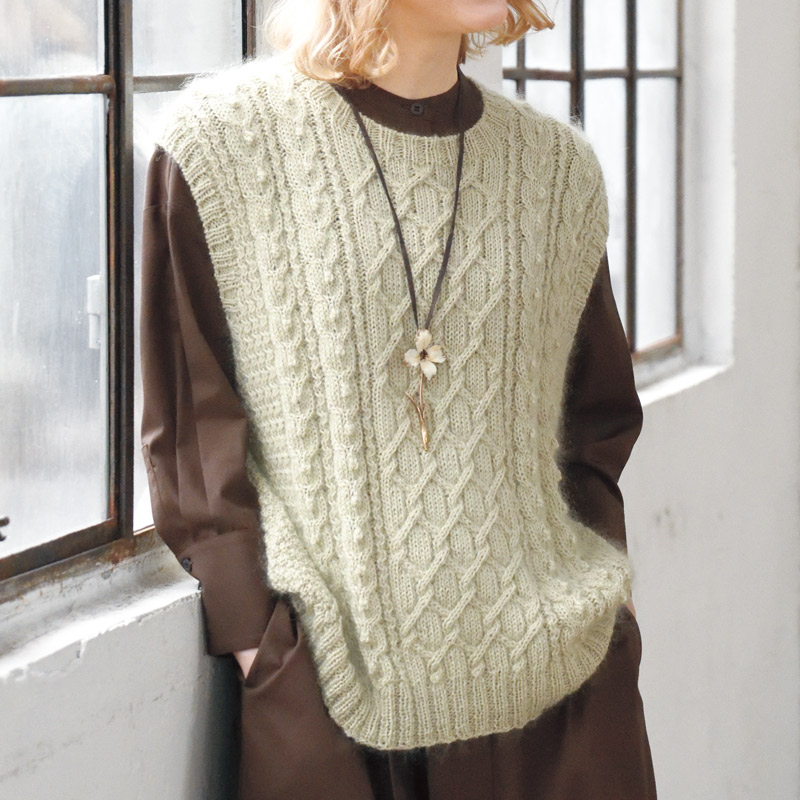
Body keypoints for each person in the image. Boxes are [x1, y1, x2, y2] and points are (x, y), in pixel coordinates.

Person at [139, 0, 657, 797]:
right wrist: (261, 647)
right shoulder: (220, 145)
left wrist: (601, 592)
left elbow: (595, 421)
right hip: (334, 703)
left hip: (565, 702)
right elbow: (191, 425)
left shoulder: (556, 171)